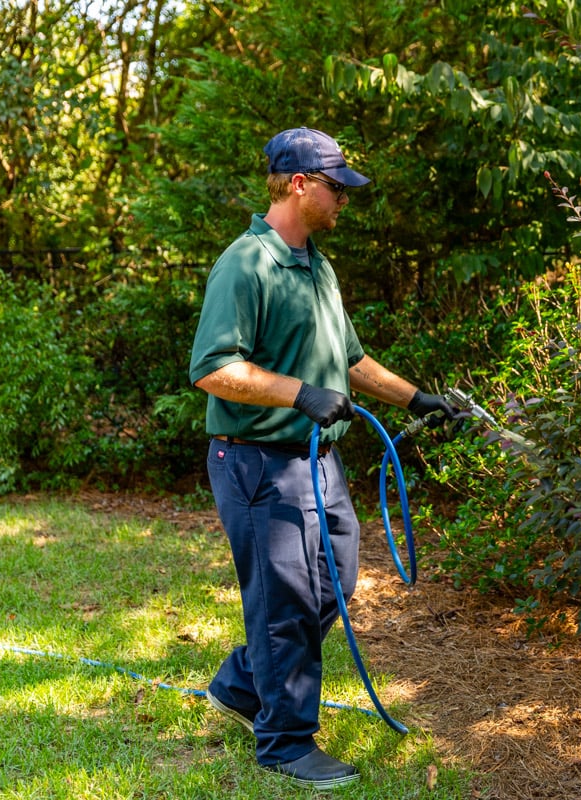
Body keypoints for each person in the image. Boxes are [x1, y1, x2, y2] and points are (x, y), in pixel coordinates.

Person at [189, 126, 454, 789]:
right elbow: (213, 369)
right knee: (285, 604)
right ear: (299, 184)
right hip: (257, 462)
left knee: (333, 583)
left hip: (317, 464)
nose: (344, 202)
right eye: (337, 189)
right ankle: (284, 743)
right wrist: (299, 394)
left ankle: (242, 683)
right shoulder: (246, 263)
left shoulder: (318, 266)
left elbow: (352, 360)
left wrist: (417, 399)